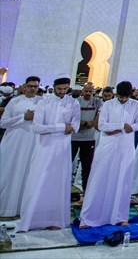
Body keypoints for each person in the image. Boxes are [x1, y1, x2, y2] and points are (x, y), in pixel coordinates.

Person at [79, 81, 138, 228]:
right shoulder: (108, 105)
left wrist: (125, 128)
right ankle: (90, 217)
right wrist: (121, 126)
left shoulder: (135, 105)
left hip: (125, 147)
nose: (123, 99)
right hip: (107, 147)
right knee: (100, 178)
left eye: (125, 97)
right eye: (120, 97)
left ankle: (119, 217)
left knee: (123, 181)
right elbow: (101, 125)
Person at [17, 77, 80, 232]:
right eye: (59, 89)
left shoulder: (73, 103)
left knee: (58, 183)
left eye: (65, 89)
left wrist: (53, 128)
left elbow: (75, 127)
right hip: (44, 148)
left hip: (62, 150)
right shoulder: (44, 103)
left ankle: (55, 219)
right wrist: (61, 127)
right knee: (39, 181)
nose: (62, 92)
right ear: (54, 87)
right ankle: (33, 219)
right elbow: (37, 128)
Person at [0, 76, 43, 217]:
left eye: (35, 86)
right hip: (15, 143)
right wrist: (23, 117)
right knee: (11, 172)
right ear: (24, 87)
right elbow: (3, 123)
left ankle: (23, 209)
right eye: (30, 86)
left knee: (29, 174)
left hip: (33, 142)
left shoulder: (42, 102)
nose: (32, 89)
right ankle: (6, 208)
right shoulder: (15, 101)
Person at [72, 82, 103, 193]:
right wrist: (85, 123)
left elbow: (98, 119)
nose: (88, 93)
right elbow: (72, 119)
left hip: (89, 139)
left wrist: (91, 123)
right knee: (67, 163)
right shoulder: (76, 102)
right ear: (82, 91)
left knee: (87, 166)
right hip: (74, 138)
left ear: (93, 91)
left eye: (90, 91)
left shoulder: (97, 102)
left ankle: (86, 190)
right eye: (86, 91)